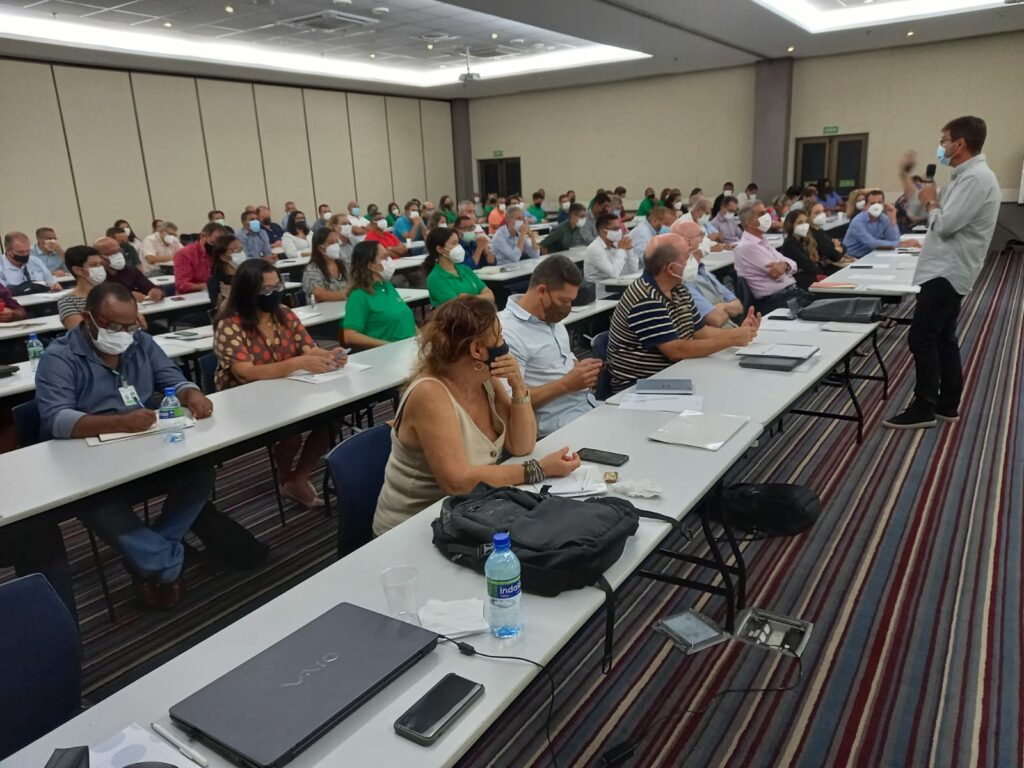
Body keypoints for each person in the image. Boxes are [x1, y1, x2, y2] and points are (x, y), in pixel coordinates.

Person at [36, 282, 215, 608]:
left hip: (147, 448)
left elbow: (172, 377)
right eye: (114, 326)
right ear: (88, 319)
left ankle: (151, 555)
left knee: (200, 471)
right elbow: (56, 419)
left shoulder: (140, 342)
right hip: (91, 461)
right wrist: (118, 422)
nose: (123, 334)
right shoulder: (59, 357)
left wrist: (192, 394)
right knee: (95, 504)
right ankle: (165, 563)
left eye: (130, 325)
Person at [373, 296, 580, 535]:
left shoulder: (485, 379)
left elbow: (521, 445)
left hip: (466, 512)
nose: (504, 345)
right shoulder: (430, 393)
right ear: (478, 350)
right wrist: (538, 469)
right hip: (410, 529)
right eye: (499, 337)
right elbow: (457, 481)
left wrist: (518, 385)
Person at [883, 116, 1001, 429]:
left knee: (922, 337)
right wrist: (913, 185)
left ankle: (924, 407)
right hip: (944, 268)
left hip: (947, 270)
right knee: (942, 337)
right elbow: (919, 213)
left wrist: (933, 202)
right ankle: (947, 404)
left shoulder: (976, 179)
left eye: (944, 140)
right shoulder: (961, 178)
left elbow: (945, 225)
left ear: (960, 144)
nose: (941, 146)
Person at [214, 260, 345, 508]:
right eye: (266, 290)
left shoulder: (283, 313)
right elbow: (245, 373)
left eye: (277, 287)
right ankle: (286, 477)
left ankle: (298, 477)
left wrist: (329, 356)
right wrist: (298, 363)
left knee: (333, 418)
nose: (273, 294)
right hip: (245, 399)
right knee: (290, 434)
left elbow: (308, 348)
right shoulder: (230, 324)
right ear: (248, 292)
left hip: (287, 388)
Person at [607, 234, 760, 393]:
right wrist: (731, 339)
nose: (692, 261)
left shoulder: (678, 287)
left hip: (676, 372)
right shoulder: (646, 298)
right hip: (642, 386)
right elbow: (676, 351)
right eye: (687, 257)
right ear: (671, 269)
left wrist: (740, 333)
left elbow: (701, 332)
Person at [499, 256, 600, 436]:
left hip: (588, 408)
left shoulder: (550, 316)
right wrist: (566, 384)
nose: (568, 307)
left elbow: (561, 366)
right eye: (564, 300)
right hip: (556, 429)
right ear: (542, 291)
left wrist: (583, 371)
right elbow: (509, 402)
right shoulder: (506, 332)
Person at [733, 201, 814, 313]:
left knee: (827, 302)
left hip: (792, 294)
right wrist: (785, 266)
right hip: (777, 301)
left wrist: (785, 264)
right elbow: (778, 275)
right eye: (762, 214)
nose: (767, 216)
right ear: (749, 222)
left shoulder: (762, 241)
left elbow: (793, 265)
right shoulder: (747, 247)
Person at [342, 241, 417, 348]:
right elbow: (350, 336)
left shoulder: (387, 286)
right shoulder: (358, 295)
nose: (389, 261)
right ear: (371, 265)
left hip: (409, 347)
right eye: (384, 257)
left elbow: (407, 319)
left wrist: (421, 340)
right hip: (389, 352)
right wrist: (389, 346)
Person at [670, 219, 742, 328]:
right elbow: (716, 319)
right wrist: (726, 308)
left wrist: (721, 307)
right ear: (688, 242)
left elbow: (738, 306)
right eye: (701, 235)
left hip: (732, 329)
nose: (706, 239)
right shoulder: (684, 278)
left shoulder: (702, 270)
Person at [424, 227, 494, 308]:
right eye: (454, 243)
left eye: (458, 243)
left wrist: (468, 297)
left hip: (479, 314)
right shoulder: (435, 278)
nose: (459, 247)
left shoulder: (464, 269)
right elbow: (457, 307)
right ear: (439, 249)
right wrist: (481, 298)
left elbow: (490, 296)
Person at [842, 190, 921, 258]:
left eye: (879, 203)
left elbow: (893, 239)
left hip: (870, 255)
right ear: (866, 206)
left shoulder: (884, 218)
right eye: (872, 203)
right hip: (851, 258)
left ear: (883, 204)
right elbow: (871, 243)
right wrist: (901, 244)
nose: (876, 206)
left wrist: (892, 218)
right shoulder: (858, 221)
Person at [96, 236, 163, 303]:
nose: (118, 255)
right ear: (99, 257)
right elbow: (98, 300)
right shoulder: (97, 276)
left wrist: (157, 293)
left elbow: (149, 288)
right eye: (112, 253)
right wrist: (127, 298)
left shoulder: (130, 270)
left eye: (119, 251)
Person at [58, 245, 107, 330]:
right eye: (94, 265)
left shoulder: (113, 293)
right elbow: (81, 332)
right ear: (78, 270)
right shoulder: (68, 301)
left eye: (100, 264)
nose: (100, 268)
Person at [584, 212, 637, 284]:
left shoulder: (615, 244)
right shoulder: (594, 249)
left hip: (615, 285)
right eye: (615, 229)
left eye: (619, 228)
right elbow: (613, 274)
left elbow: (633, 270)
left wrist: (629, 250)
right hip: (598, 289)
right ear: (603, 232)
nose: (619, 232)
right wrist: (622, 249)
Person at [778, 210, 826, 289]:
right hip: (800, 282)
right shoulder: (790, 244)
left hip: (807, 277)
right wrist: (823, 264)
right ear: (791, 225)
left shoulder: (803, 240)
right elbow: (809, 266)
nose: (804, 225)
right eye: (800, 222)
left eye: (806, 222)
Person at [173, 222, 226, 294]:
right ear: (203, 236)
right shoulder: (185, 254)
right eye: (212, 242)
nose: (215, 247)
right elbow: (181, 284)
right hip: (192, 296)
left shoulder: (219, 253)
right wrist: (208, 286)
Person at [303, 227, 349, 303]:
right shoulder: (312, 269)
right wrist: (345, 295)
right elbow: (319, 295)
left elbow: (354, 285)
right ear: (320, 248)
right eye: (331, 243)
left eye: (337, 242)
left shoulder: (344, 264)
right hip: (321, 309)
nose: (336, 245)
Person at [808, 202, 851, 270]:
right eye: (817, 213)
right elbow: (834, 256)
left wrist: (836, 248)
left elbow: (844, 247)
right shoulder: (811, 234)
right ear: (808, 216)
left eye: (823, 211)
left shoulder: (820, 231)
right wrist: (836, 248)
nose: (822, 215)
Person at [208, 234, 245, 310]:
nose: (240, 253)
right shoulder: (216, 281)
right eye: (235, 250)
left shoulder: (251, 275)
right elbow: (218, 309)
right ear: (223, 257)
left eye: (241, 249)